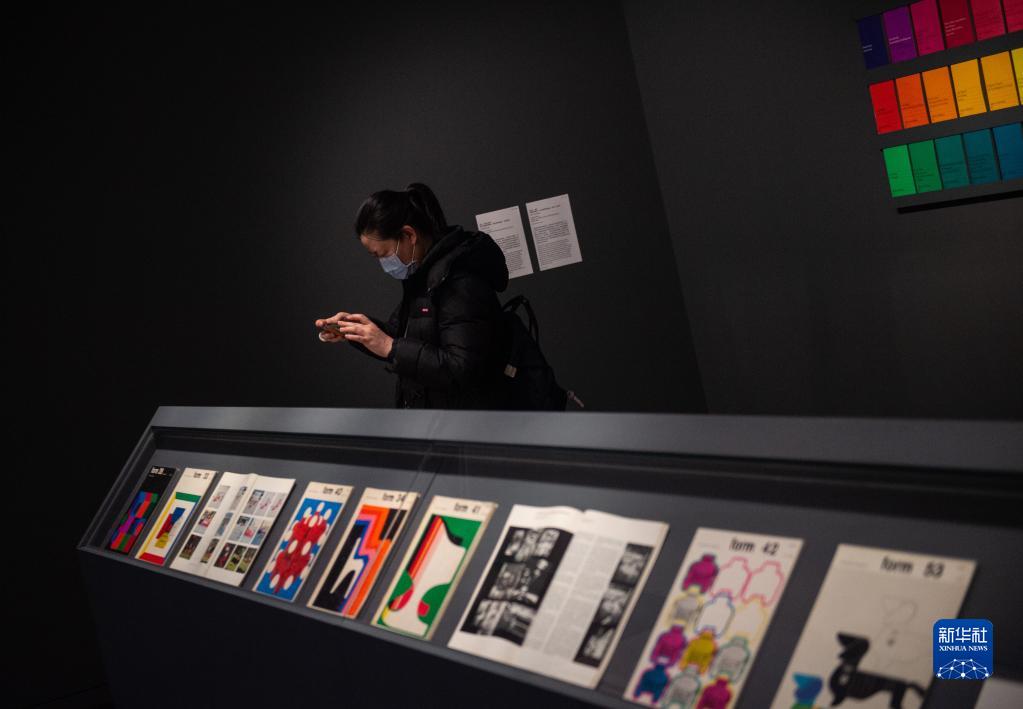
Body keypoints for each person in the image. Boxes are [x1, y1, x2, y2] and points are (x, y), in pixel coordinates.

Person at [315, 183, 511, 409]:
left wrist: (389, 346)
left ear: (409, 235)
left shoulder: (460, 282)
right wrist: (357, 331)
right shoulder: (422, 277)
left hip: (461, 424)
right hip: (435, 417)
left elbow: (461, 368)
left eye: (383, 254)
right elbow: (402, 337)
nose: (383, 264)